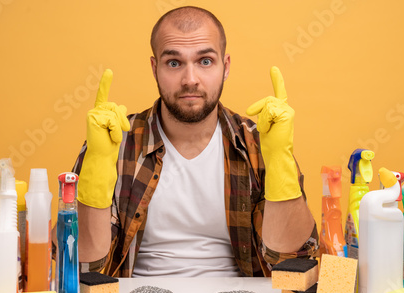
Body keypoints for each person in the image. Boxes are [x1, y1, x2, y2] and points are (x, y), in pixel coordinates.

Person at [72, 6, 319, 277]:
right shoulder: (114, 140)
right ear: (155, 69)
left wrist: (280, 160)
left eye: (205, 61)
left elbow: (293, 263)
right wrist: (95, 165)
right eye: (174, 63)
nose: (190, 80)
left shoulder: (259, 142)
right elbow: (81, 267)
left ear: (225, 68)